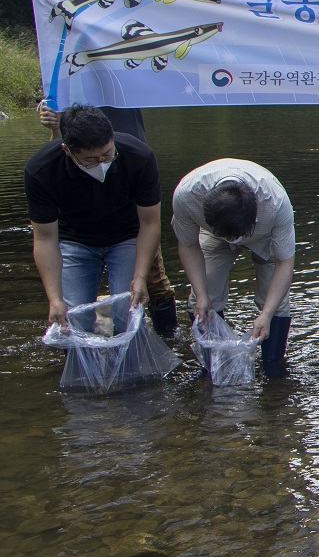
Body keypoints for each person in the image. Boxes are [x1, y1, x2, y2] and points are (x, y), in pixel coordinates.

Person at [37, 101, 177, 337]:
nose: (101, 163)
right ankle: (82, 369)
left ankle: (134, 366)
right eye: (91, 160)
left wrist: (141, 276)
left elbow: (150, 222)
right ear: (67, 150)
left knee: (128, 312)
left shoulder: (138, 156)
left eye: (107, 154)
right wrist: (54, 298)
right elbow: (44, 238)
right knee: (73, 319)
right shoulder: (42, 169)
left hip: (126, 236)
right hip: (74, 240)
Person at [171, 159, 297, 378]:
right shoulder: (186, 196)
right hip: (215, 234)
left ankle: (273, 367)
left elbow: (285, 263)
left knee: (275, 302)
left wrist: (266, 313)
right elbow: (188, 244)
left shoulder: (276, 202)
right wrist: (201, 293)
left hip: (264, 236)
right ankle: (212, 367)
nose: (235, 240)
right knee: (203, 297)